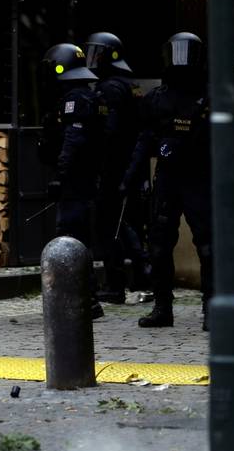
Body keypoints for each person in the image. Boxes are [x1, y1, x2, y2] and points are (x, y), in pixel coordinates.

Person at [122, 32, 211, 329]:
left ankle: (212, 308)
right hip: (168, 177)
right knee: (159, 245)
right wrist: (130, 177)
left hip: (199, 176)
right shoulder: (155, 99)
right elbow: (144, 139)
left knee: (208, 245)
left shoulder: (210, 96)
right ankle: (162, 307)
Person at [39, 43, 105, 319]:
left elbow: (72, 141)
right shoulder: (88, 97)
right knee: (78, 239)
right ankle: (87, 298)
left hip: (77, 182)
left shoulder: (75, 100)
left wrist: (61, 175)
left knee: (70, 239)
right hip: (85, 180)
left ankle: (82, 299)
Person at [84, 32, 143, 304]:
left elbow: (109, 131)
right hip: (129, 165)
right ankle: (143, 276)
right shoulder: (129, 85)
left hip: (113, 167)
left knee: (109, 226)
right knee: (126, 223)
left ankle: (115, 284)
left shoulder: (110, 88)